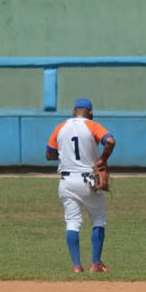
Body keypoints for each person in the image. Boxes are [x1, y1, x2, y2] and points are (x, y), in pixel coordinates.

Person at [46, 98, 116, 273]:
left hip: (67, 181)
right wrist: (103, 160)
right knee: (98, 220)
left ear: (73, 111)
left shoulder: (60, 127)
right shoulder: (92, 125)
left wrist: (64, 155)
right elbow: (110, 141)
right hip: (89, 180)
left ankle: (77, 266)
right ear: (90, 113)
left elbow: (49, 154)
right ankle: (95, 263)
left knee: (72, 222)